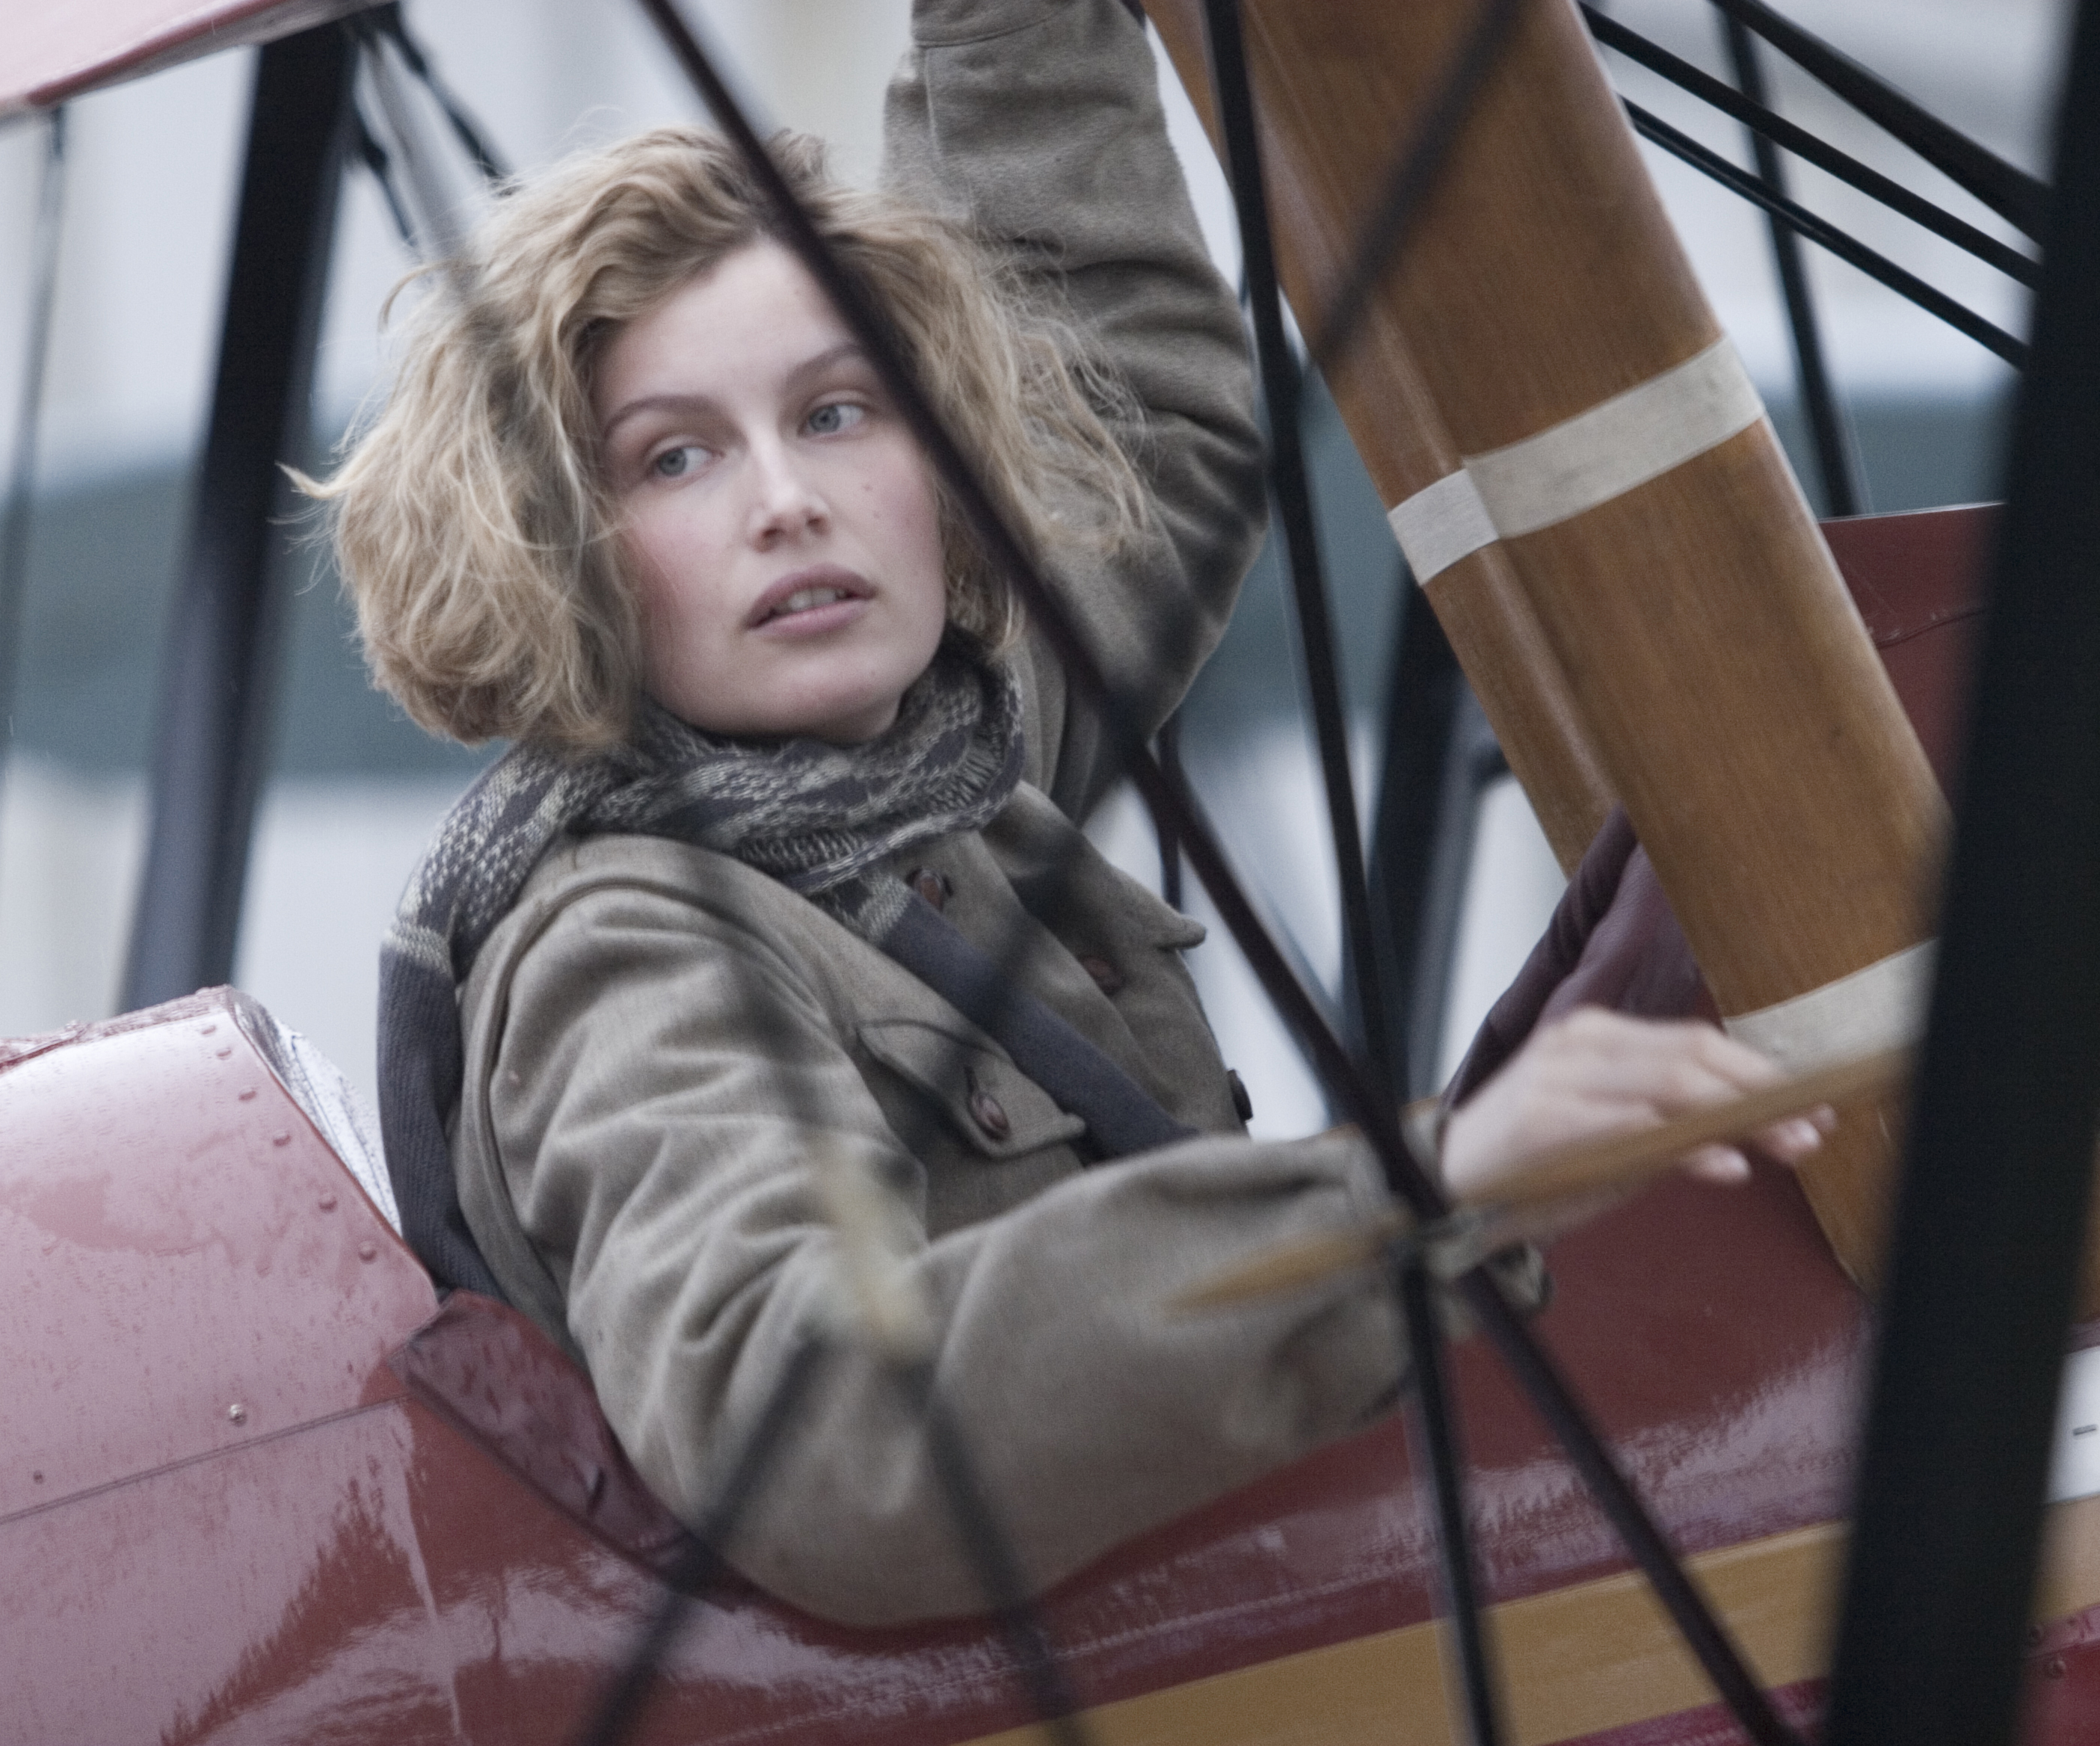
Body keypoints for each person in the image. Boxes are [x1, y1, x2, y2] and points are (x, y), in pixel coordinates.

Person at [313, 0, 1826, 1627]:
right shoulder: (630, 947)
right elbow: (825, 1437)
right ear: (555, 551)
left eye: (838, 410)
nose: (790, 500)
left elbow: (1125, 408)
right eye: (674, 459)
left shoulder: (932, 761)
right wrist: (1416, 1195)